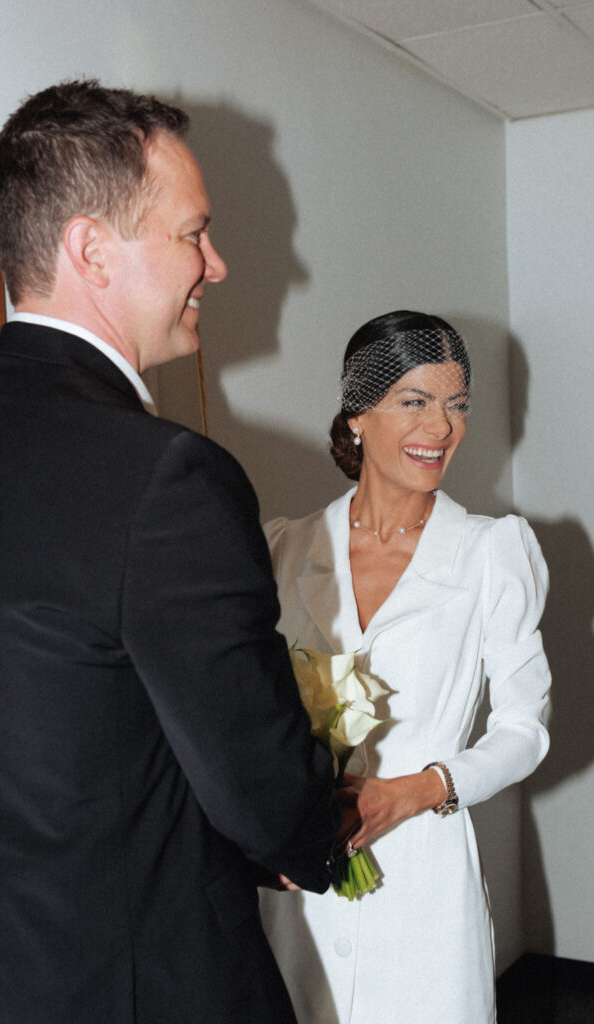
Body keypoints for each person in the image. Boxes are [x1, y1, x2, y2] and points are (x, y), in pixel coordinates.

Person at [0, 80, 348, 1024]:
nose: (218, 265)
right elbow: (262, 790)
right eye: (193, 233)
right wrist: (322, 823)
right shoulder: (167, 477)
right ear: (90, 251)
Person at [259, 310, 551, 1024]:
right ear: (357, 414)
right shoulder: (282, 549)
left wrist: (417, 791)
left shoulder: (492, 554)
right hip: (301, 887)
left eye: (456, 405)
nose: (441, 428)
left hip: (425, 881)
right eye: (414, 402)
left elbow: (523, 731)